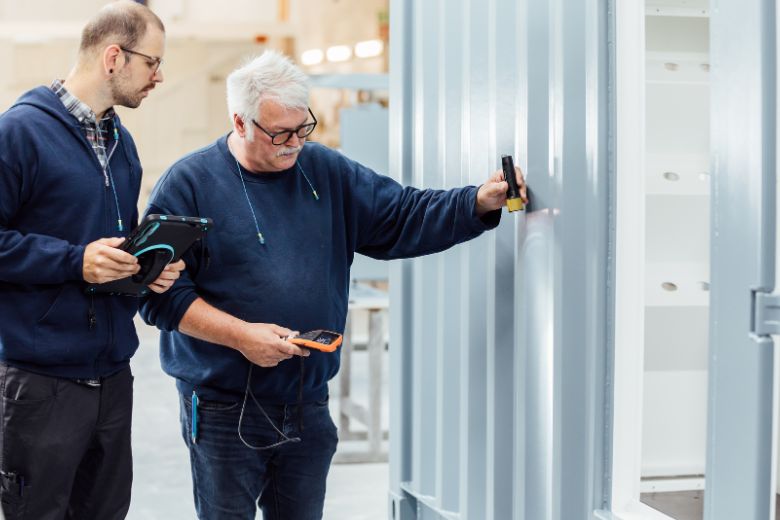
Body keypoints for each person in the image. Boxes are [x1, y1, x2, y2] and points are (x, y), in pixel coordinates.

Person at [140, 50, 528, 520]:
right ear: (240, 124)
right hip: (225, 408)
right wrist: (241, 337)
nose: (292, 144)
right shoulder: (190, 183)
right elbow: (158, 297)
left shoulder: (324, 170)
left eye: (303, 128)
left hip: (307, 400)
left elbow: (400, 215)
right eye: (279, 133)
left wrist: (477, 202)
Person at [0, 2, 184, 518]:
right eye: (152, 62)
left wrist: (146, 270)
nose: (159, 76)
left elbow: (113, 248)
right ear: (113, 57)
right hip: (41, 381)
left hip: (112, 375)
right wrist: (74, 262)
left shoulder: (121, 143)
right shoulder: (19, 133)